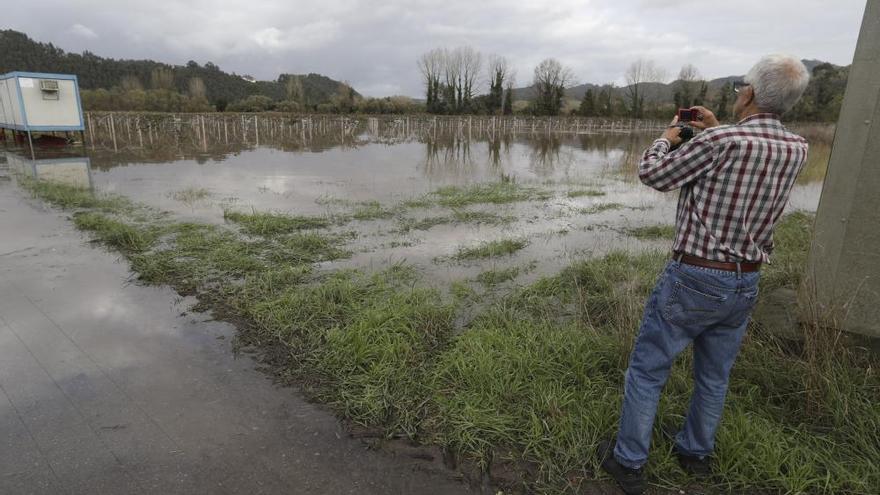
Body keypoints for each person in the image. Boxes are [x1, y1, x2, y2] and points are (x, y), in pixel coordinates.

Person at [597, 54, 811, 495]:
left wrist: (667, 137)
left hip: (695, 275)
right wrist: (715, 128)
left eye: (740, 87)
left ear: (749, 94)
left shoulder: (720, 142)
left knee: (648, 369)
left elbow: (653, 174)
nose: (737, 93)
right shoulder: (797, 148)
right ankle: (695, 453)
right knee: (714, 375)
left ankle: (629, 461)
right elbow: (743, 155)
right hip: (745, 279)